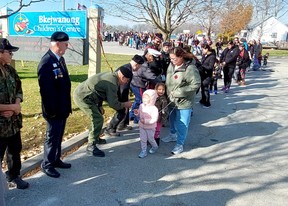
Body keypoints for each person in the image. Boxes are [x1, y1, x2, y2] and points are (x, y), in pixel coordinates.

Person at [73, 68, 133, 157]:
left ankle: (95, 138)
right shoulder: (113, 83)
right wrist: (125, 104)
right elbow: (114, 104)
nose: (126, 83)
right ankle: (91, 146)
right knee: (97, 119)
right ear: (122, 77)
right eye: (126, 81)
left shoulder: (112, 76)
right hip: (83, 97)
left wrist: (99, 106)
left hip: (88, 94)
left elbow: (101, 90)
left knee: (98, 116)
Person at [37, 32, 72, 178]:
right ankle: (47, 164)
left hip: (62, 107)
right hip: (53, 110)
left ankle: (56, 159)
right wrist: (51, 111)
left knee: (58, 136)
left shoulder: (60, 59)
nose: (67, 46)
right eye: (66, 44)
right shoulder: (46, 62)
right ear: (57, 44)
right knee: (51, 137)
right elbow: (46, 91)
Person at [0, 38, 29, 189]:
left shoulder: (11, 70)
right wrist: (8, 107)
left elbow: (19, 88)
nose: (12, 55)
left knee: (14, 150)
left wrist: (16, 105)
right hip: (0, 124)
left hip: (13, 122)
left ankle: (13, 175)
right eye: (9, 52)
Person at [161, 47, 201, 154]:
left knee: (182, 123)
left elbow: (195, 84)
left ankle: (180, 144)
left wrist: (179, 92)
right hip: (171, 99)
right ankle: (172, 134)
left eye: (174, 59)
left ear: (181, 57)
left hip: (184, 101)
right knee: (172, 119)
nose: (172, 61)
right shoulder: (171, 65)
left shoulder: (190, 68)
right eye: (171, 59)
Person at [104, 55, 144, 136]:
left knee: (125, 108)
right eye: (139, 67)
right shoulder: (127, 70)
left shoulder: (126, 67)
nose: (139, 69)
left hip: (117, 91)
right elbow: (123, 88)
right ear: (137, 65)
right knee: (122, 110)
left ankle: (122, 124)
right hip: (116, 92)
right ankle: (110, 129)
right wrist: (124, 102)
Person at [129, 48, 162, 124]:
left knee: (137, 100)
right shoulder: (144, 65)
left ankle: (131, 115)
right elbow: (151, 76)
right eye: (153, 57)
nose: (153, 60)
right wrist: (161, 83)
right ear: (149, 55)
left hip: (135, 83)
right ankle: (136, 118)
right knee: (141, 101)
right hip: (138, 84)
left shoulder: (143, 61)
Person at [134, 89, 159, 158]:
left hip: (150, 128)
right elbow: (139, 113)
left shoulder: (154, 109)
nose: (144, 100)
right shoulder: (141, 105)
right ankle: (143, 151)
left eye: (147, 98)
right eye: (143, 98)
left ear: (152, 99)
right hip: (142, 126)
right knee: (143, 139)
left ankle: (155, 146)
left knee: (151, 139)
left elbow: (154, 119)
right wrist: (137, 112)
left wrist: (145, 121)